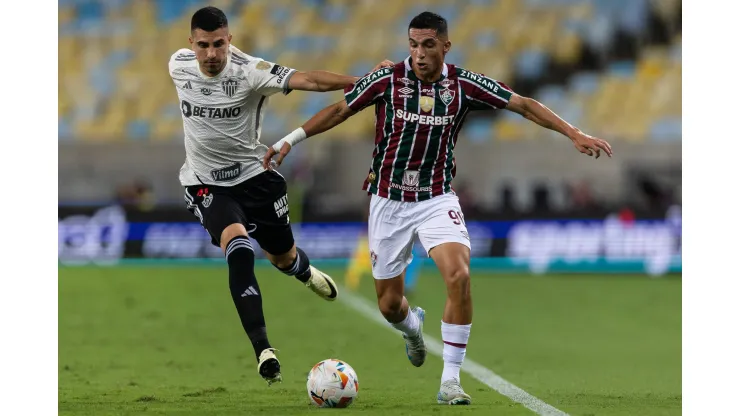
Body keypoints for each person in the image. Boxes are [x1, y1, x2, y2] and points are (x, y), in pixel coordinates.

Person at [264, 11, 612, 404]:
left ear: (446, 46)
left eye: (428, 45)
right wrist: (290, 139)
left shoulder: (463, 85)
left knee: (459, 274)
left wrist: (574, 132)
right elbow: (340, 110)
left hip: (436, 198)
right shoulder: (387, 79)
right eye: (413, 45)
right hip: (388, 201)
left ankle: (450, 381)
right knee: (389, 305)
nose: (419, 53)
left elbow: (524, 105)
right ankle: (413, 330)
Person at [168, 6, 392, 386]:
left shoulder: (250, 71)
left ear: (230, 40)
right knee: (236, 246)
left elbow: (308, 80)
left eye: (218, 44)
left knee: (281, 256)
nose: (211, 54)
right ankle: (263, 350)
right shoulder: (178, 65)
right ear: (190, 44)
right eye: (203, 45)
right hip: (204, 183)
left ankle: (302, 270)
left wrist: (364, 81)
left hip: (256, 178)